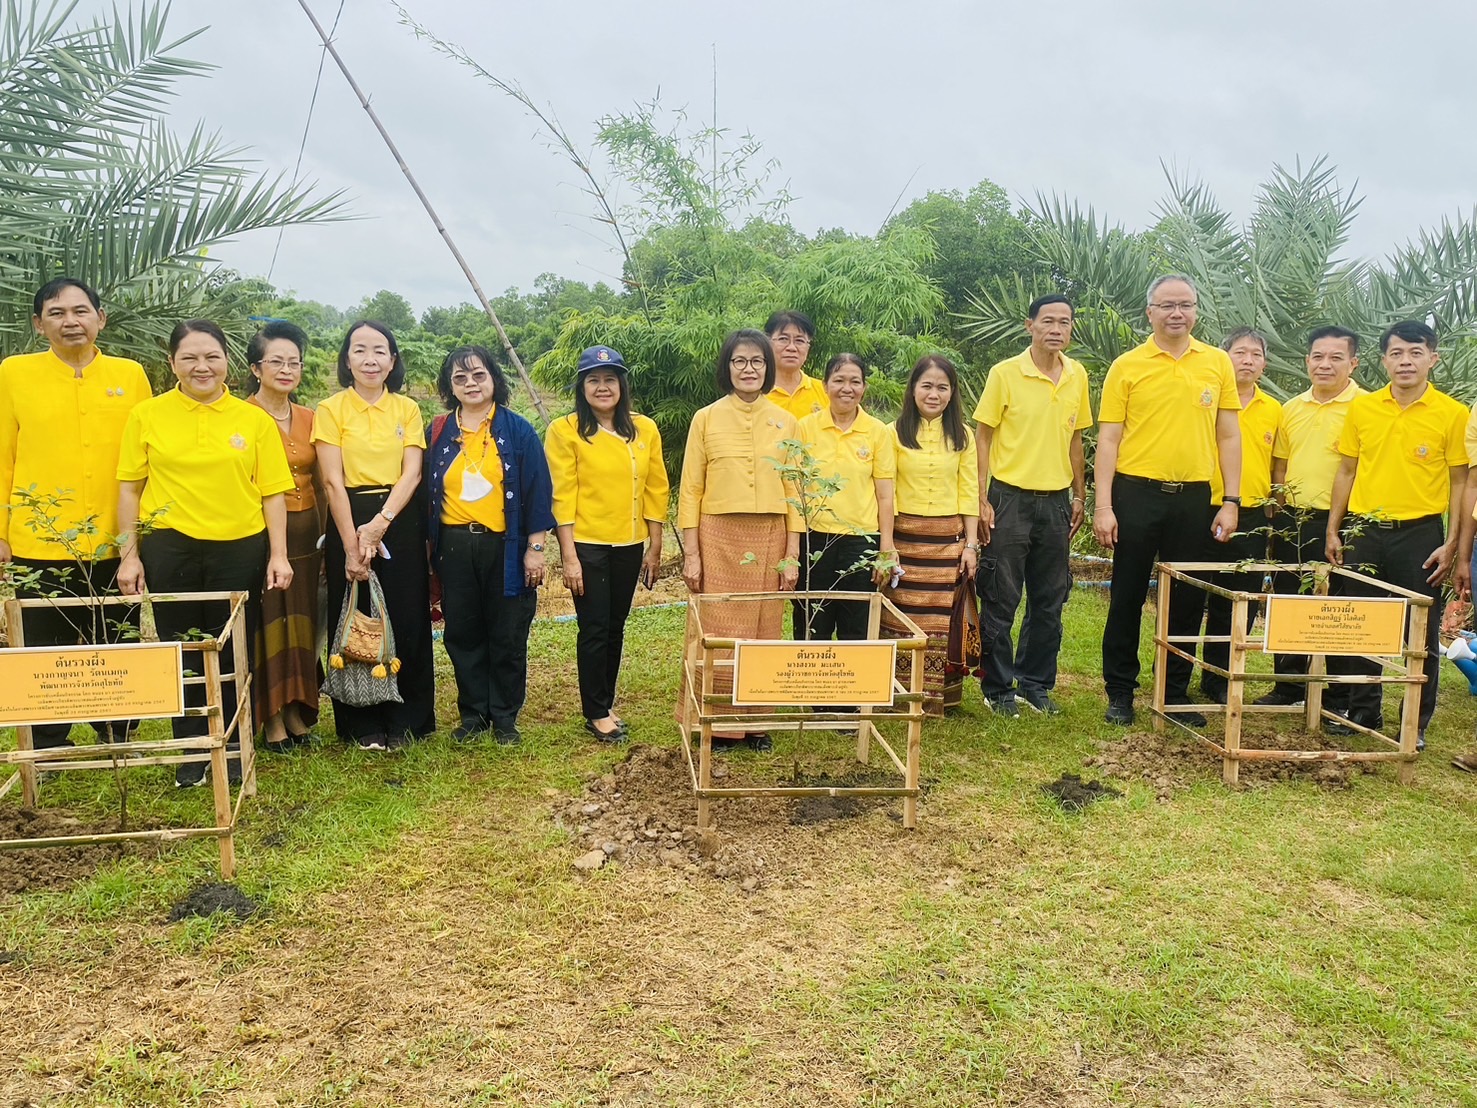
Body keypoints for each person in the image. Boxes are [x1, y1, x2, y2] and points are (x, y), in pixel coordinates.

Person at [115, 320, 293, 787]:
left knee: (233, 647)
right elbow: (130, 490)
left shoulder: (252, 419)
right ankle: (192, 751)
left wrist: (279, 555)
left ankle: (232, 748)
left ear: (227, 362)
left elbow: (273, 493)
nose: (202, 366)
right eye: (190, 357)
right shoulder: (147, 415)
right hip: (169, 546)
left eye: (212, 356)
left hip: (239, 547)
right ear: (171, 362)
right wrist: (129, 555)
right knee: (181, 649)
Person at [0, 277, 151, 747]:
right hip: (39, 538)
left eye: (81, 311)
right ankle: (48, 740)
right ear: (38, 324)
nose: (71, 321)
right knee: (44, 646)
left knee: (117, 638)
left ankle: (118, 732)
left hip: (116, 538)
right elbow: (2, 456)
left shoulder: (130, 375)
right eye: (57, 313)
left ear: (100, 318)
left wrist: (142, 536)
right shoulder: (13, 374)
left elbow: (150, 456)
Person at [1094, 275, 1241, 727]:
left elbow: (1228, 434)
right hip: (1136, 493)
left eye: (1185, 305)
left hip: (1194, 498)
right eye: (1167, 305)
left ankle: (1173, 691)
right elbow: (1109, 439)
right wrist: (1104, 506)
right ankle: (1121, 691)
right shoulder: (1127, 366)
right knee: (1127, 595)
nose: (1177, 313)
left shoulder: (1216, 362)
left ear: (1196, 310)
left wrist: (1231, 500)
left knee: (1187, 598)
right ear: (1150, 312)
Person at [1324, 320, 1466, 748]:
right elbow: (1346, 470)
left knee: (1419, 631)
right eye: (1397, 353)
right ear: (1384, 360)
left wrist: (1452, 543)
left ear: (1432, 359)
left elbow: (1460, 482)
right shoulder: (1363, 409)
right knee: (1359, 622)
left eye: (1416, 353)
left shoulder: (1452, 414)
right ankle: (1362, 710)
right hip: (1364, 530)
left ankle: (1413, 722)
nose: (1406, 361)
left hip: (1420, 534)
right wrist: (1334, 529)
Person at [678, 330, 802, 750]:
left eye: (757, 361)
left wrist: (792, 554)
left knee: (765, 628)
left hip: (770, 536)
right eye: (739, 361)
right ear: (727, 367)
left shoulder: (786, 421)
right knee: (717, 628)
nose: (748, 369)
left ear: (768, 367)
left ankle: (757, 723)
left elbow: (795, 491)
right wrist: (691, 553)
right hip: (717, 535)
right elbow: (691, 489)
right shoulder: (705, 418)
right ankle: (715, 722)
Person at [314, 320, 435, 750]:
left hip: (399, 517)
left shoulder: (407, 409)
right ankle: (360, 721)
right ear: (347, 360)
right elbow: (332, 482)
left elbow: (412, 472)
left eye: (380, 350)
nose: (370, 359)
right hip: (348, 515)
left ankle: (408, 719)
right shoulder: (331, 409)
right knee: (353, 612)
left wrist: (381, 522)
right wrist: (352, 544)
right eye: (360, 350)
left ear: (392, 360)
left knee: (406, 614)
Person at [425, 345, 554, 745]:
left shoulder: (518, 430)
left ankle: (505, 716)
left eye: (478, 375)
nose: (471, 384)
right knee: (462, 631)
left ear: (494, 379)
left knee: (507, 631)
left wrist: (535, 549)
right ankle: (473, 713)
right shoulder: (438, 431)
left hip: (506, 546)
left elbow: (537, 492)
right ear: (450, 386)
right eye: (460, 377)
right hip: (454, 547)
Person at [973, 294, 1092, 717]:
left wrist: (1079, 495)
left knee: (1050, 599)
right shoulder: (1005, 373)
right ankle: (997, 688)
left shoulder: (1077, 375)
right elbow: (982, 436)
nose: (1056, 329)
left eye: (1064, 322)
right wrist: (980, 496)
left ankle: (1035, 683)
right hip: (1009, 499)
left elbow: (1076, 439)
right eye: (1048, 321)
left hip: (1057, 502)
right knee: (1001, 596)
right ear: (1030, 326)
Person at [545, 345, 668, 742]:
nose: (602, 387)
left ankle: (605, 702)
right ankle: (595, 711)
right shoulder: (565, 430)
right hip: (588, 545)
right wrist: (569, 556)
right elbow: (562, 495)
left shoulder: (644, 429)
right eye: (593, 380)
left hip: (629, 543)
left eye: (610, 379)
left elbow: (656, 488)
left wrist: (654, 545)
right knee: (595, 627)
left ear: (621, 385)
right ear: (582, 387)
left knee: (615, 626)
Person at [1258, 326, 1364, 707]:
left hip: (1345, 522)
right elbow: (1280, 466)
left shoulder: (1365, 408)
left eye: (1336, 357)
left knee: (1340, 606)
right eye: (1318, 357)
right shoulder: (1291, 408)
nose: (1325, 365)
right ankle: (1289, 686)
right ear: (1307, 361)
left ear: (1353, 363)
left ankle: (1340, 694)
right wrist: (1277, 512)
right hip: (1294, 519)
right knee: (1288, 598)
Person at [882, 355, 980, 715]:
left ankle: (935, 699)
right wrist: (887, 544)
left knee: (940, 622)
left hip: (946, 541)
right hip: (904, 540)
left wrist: (971, 545)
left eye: (942, 387)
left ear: (952, 393)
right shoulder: (892, 433)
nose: (934, 394)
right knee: (899, 618)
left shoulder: (963, 435)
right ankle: (895, 697)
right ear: (913, 389)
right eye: (926, 386)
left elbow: (969, 491)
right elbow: (886, 492)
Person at [244, 321, 323, 751]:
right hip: (262, 536)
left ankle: (297, 710)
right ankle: (271, 717)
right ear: (256, 368)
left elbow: (324, 483)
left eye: (294, 362)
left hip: (308, 537)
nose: (287, 369)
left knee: (303, 621)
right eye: (276, 361)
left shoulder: (311, 417)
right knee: (270, 623)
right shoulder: (240, 416)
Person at [1198, 328, 1281, 704]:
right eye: (1240, 352)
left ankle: (1219, 678)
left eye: (1256, 355)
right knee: (1187, 594)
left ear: (1264, 364)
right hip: (1201, 506)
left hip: (1250, 515)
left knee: (1237, 601)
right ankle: (1172, 672)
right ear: (1223, 356)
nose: (1248, 361)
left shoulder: (1275, 410)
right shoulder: (1206, 400)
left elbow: (1278, 467)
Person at [794, 353, 896, 642]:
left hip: (861, 543)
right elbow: (794, 489)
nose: (846, 388)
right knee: (812, 626)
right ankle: (810, 673)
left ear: (864, 387)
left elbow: (885, 495)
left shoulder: (877, 431)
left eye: (855, 381)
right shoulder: (804, 428)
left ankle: (855, 674)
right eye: (839, 380)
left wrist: (886, 549)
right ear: (825, 385)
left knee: (858, 629)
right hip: (814, 539)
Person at [765, 310, 827, 420]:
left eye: (799, 341)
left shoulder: (825, 392)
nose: (791, 348)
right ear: (767, 343)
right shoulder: (755, 392)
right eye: (783, 339)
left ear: (808, 347)